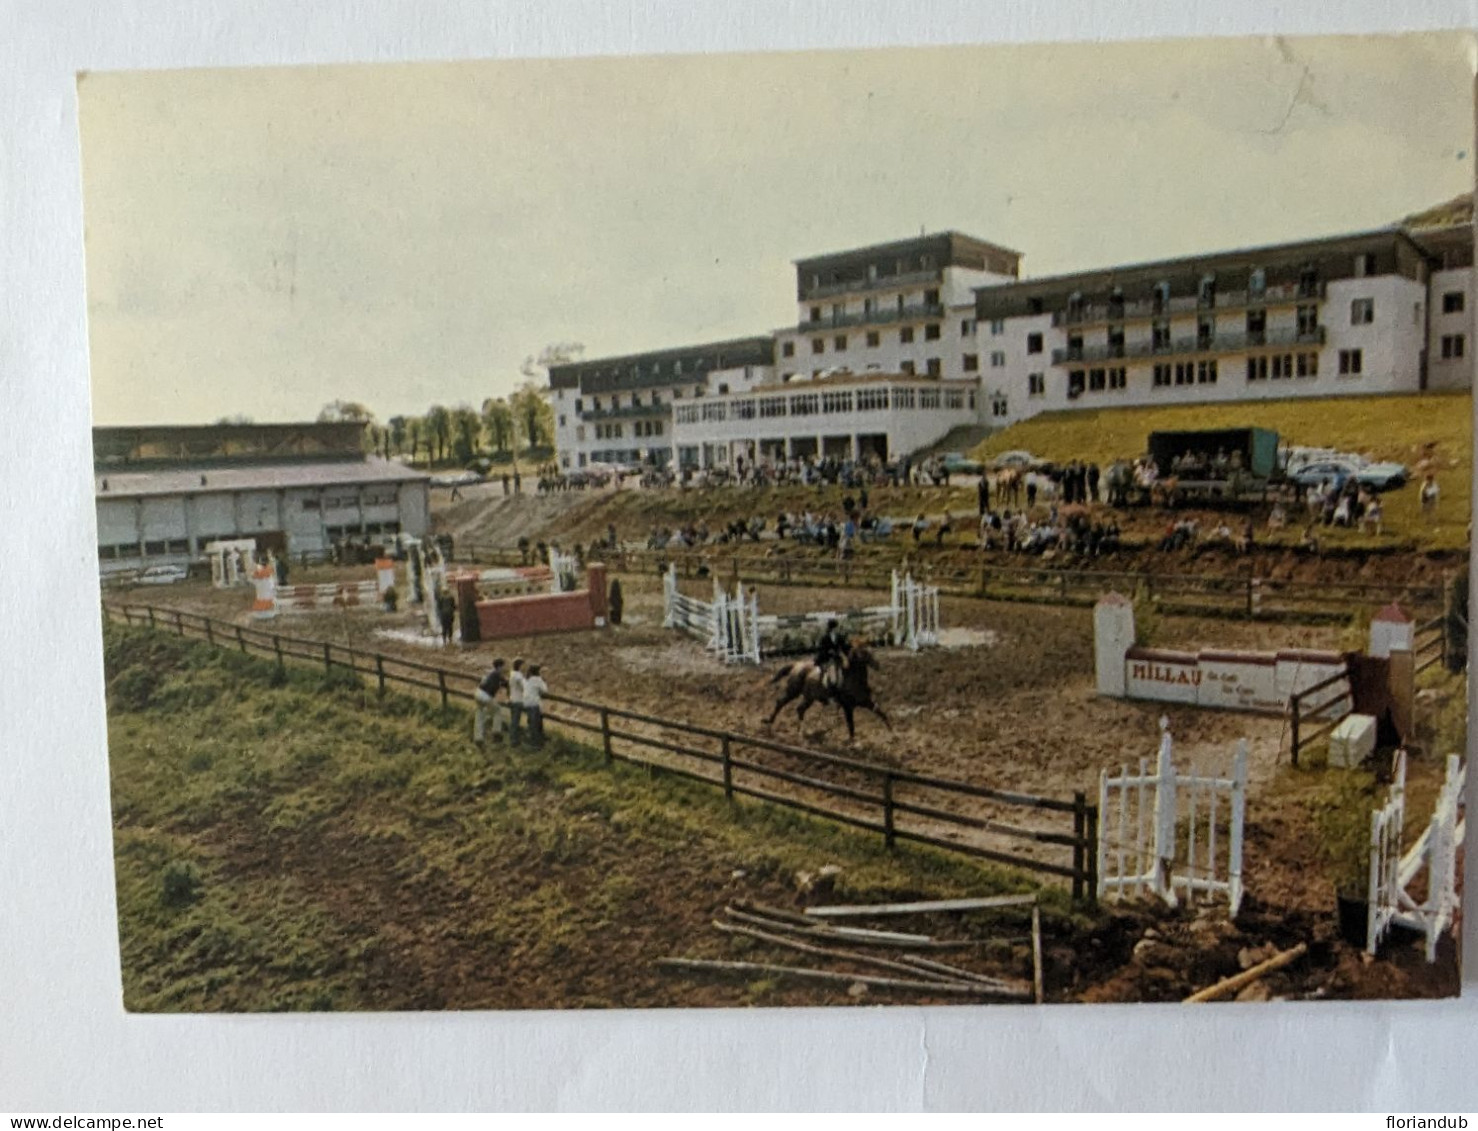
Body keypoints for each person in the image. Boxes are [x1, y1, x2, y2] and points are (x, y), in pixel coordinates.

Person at [474, 659, 508, 746]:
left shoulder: (489, 672)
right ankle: (496, 732)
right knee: (497, 710)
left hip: (478, 693)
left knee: (479, 715)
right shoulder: (497, 673)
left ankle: (478, 738)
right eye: (503, 666)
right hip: (486, 695)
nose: (505, 668)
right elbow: (505, 682)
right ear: (500, 666)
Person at [814, 619, 850, 690]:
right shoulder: (825, 637)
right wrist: (829, 652)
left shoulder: (839, 636)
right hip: (828, 659)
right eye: (836, 627)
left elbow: (844, 646)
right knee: (833, 679)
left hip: (838, 658)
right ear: (833, 628)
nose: (837, 629)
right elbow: (821, 649)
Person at [522, 663, 549, 748]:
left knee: (532, 722)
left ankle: (534, 742)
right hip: (534, 703)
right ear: (538, 672)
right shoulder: (537, 679)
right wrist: (544, 680)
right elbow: (545, 691)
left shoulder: (528, 679)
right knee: (536, 724)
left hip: (526, 702)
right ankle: (536, 744)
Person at [507, 658, 526, 746]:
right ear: (520, 666)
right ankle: (514, 740)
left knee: (514, 720)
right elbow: (524, 687)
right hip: (518, 700)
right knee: (515, 721)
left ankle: (513, 738)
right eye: (523, 665)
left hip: (512, 698)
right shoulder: (518, 676)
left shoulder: (512, 674)